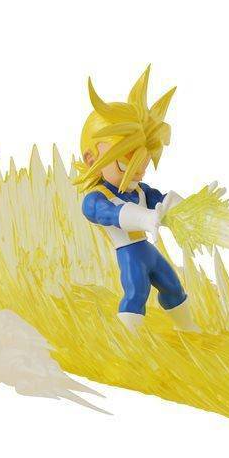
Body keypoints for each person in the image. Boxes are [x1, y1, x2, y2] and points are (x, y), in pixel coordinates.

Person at [74, 65, 198, 333]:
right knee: (136, 293)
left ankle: (188, 329)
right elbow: (111, 214)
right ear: (92, 159)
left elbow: (163, 202)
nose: (137, 173)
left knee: (173, 286)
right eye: (125, 164)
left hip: (148, 252)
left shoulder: (141, 190)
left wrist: (187, 210)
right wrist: (146, 218)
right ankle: (126, 343)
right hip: (130, 255)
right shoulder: (96, 199)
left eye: (142, 165)